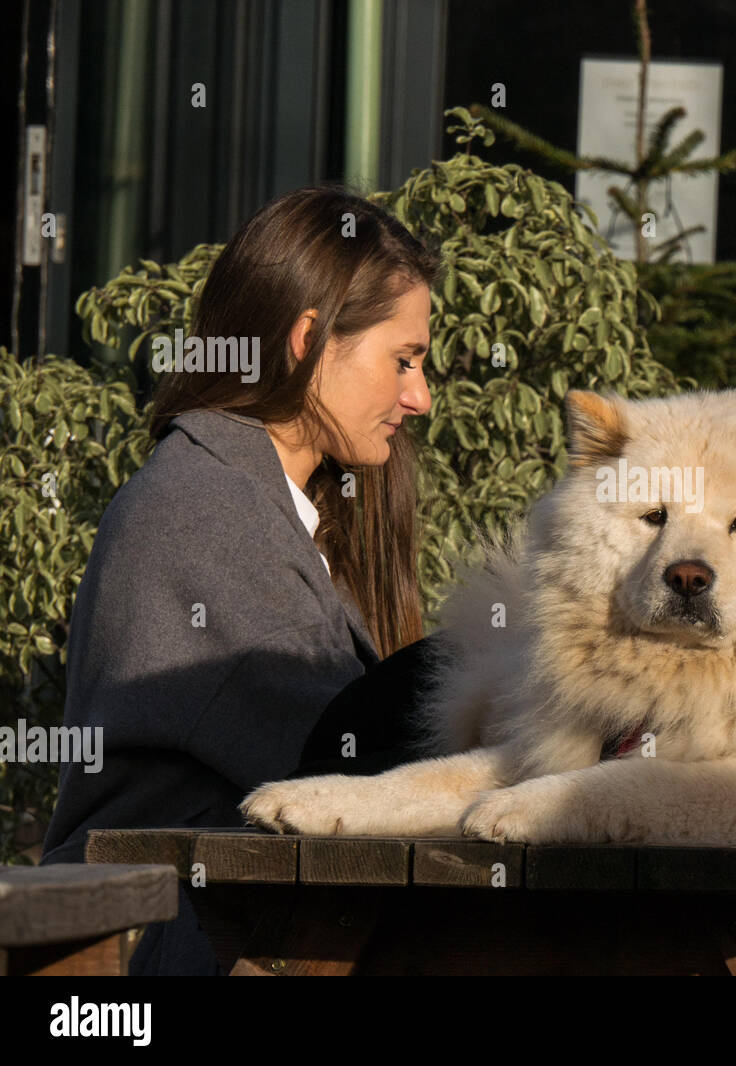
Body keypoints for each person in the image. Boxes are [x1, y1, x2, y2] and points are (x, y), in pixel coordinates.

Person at [39, 186, 447, 974]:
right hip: (176, 957)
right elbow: (356, 764)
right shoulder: (204, 508)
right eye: (404, 359)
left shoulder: (282, 503)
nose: (420, 396)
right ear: (308, 338)